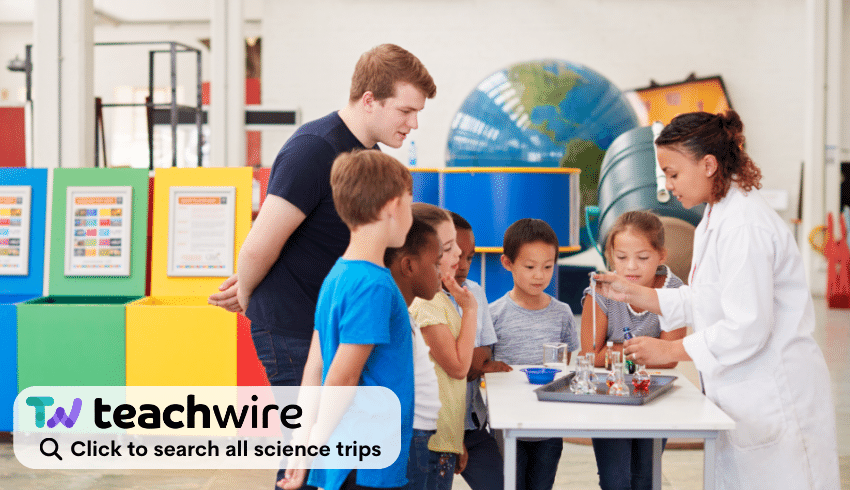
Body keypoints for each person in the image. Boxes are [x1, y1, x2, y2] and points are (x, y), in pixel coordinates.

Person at [206, 44, 435, 488]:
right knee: (307, 452)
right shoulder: (316, 148)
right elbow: (259, 245)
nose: (413, 123)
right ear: (369, 100)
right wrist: (251, 298)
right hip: (293, 321)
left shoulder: (368, 158)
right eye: (405, 110)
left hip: (325, 321)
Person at [594, 110, 839, 489]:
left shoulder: (744, 224)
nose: (668, 185)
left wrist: (669, 351)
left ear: (708, 165)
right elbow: (709, 300)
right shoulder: (716, 215)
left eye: (673, 174)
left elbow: (748, 326)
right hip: (744, 396)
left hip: (775, 395)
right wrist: (635, 293)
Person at [279, 150, 415, 490]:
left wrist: (302, 444)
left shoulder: (337, 275)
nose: (411, 216)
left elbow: (315, 367)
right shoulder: (374, 286)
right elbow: (342, 375)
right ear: (392, 206)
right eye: (410, 205)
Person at [579, 210, 686, 490]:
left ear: (661, 255)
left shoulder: (675, 291)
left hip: (655, 396)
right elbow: (590, 356)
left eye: (643, 257)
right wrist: (649, 349)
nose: (631, 268)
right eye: (621, 257)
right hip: (608, 398)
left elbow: (669, 359)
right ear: (610, 256)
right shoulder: (599, 290)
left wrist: (613, 349)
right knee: (615, 481)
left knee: (646, 479)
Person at [489, 218, 579, 490]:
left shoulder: (562, 313)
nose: (539, 275)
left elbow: (569, 367)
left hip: (548, 426)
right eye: (529, 267)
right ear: (508, 263)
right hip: (506, 425)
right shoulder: (494, 314)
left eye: (548, 266)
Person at [408, 203, 477, 490]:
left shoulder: (441, 298)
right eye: (449, 248)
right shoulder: (428, 302)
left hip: (441, 437)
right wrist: (471, 310)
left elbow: (442, 382)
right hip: (427, 441)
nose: (460, 256)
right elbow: (459, 367)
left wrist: (455, 437)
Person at [448, 211, 511, 490]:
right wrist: (470, 364)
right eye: (456, 255)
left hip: (472, 423)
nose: (463, 265)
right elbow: (458, 367)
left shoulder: (474, 291)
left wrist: (472, 363)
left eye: (470, 257)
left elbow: (479, 356)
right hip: (434, 428)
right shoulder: (422, 301)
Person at [384, 218, 444, 490]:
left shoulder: (401, 313)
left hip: (417, 435)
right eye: (436, 264)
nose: (441, 273)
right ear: (409, 265)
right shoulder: (390, 313)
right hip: (406, 439)